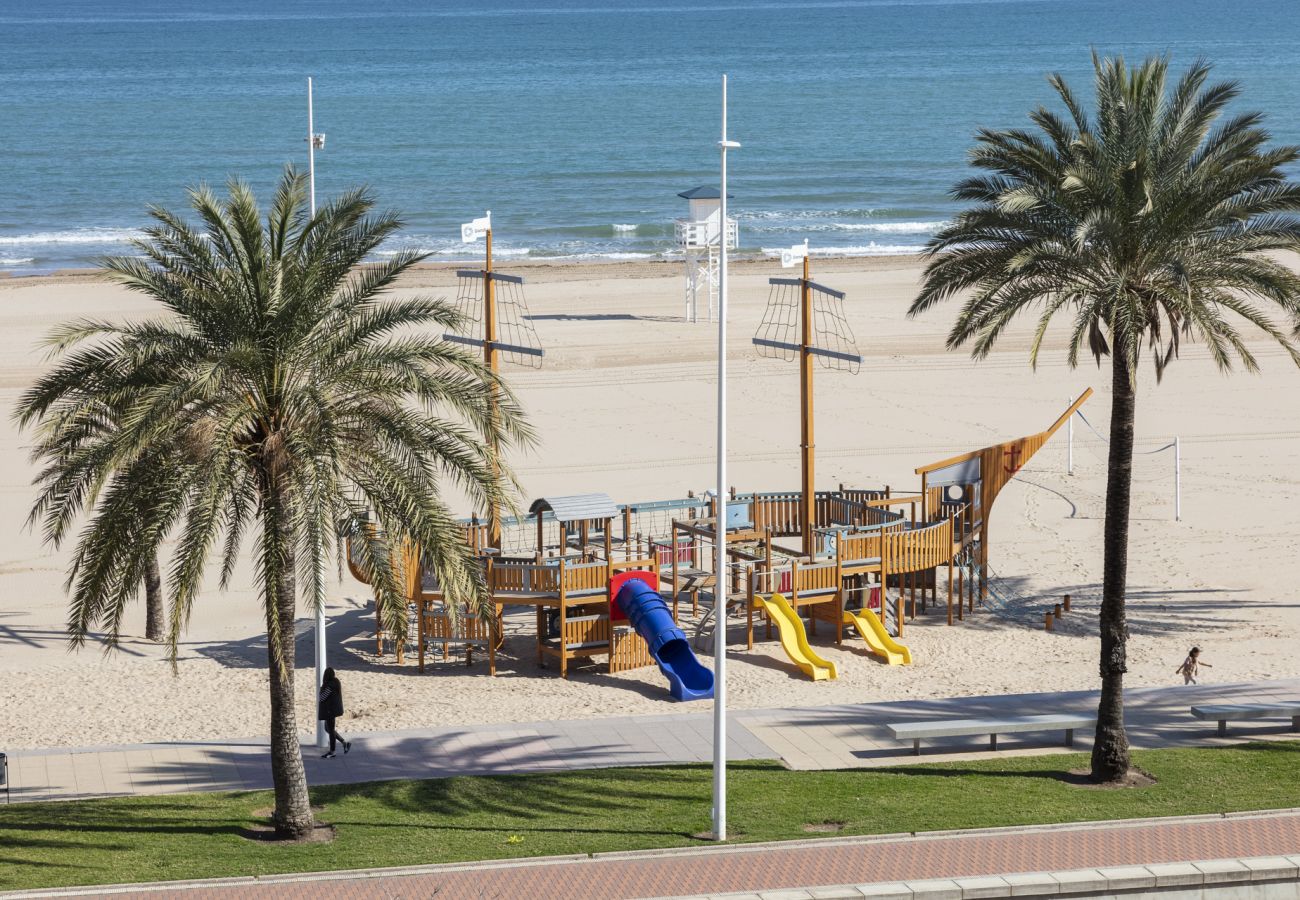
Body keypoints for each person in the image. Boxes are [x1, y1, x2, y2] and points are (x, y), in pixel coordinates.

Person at [317, 667, 351, 758]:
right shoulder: (336, 682)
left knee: (330, 730)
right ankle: (344, 743)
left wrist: (321, 689)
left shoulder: (329, 686)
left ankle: (332, 751)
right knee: (327, 729)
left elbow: (322, 698)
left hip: (330, 711)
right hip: (332, 710)